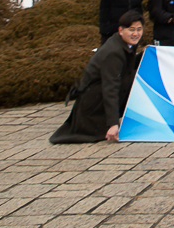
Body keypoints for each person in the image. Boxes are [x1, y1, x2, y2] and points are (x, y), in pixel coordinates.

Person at [50, 9, 144, 144]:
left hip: (97, 96)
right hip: (92, 105)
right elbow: (110, 88)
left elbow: (124, 67)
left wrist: (143, 54)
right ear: (121, 30)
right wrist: (113, 124)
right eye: (131, 29)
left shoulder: (122, 43)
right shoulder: (114, 52)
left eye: (139, 29)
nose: (136, 33)